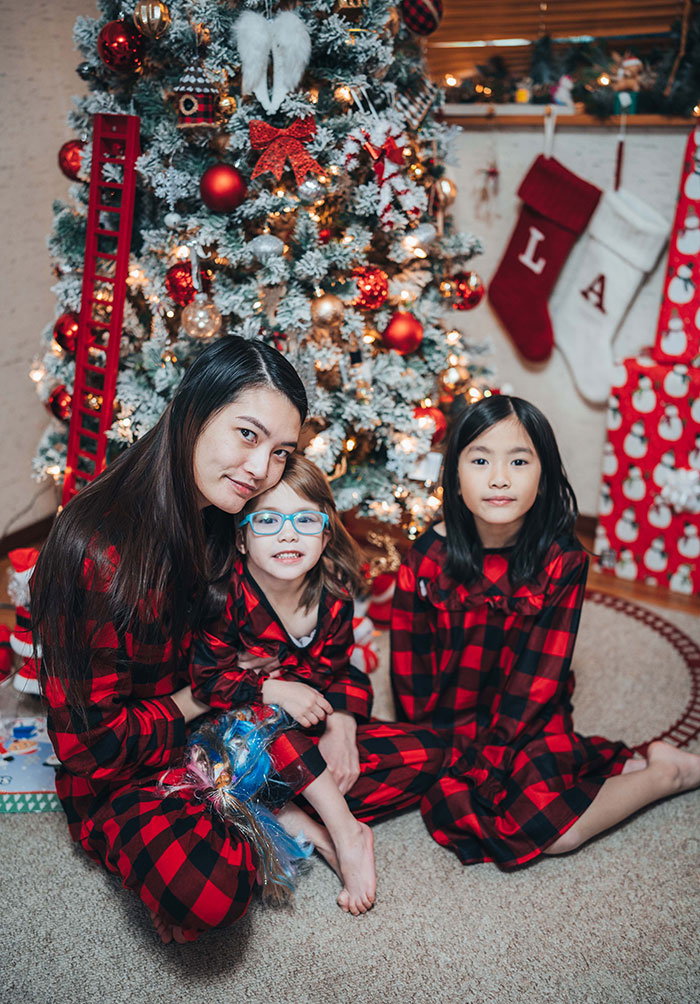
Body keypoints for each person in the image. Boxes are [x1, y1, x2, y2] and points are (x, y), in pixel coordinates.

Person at [390, 394, 700, 869]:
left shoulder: (563, 559)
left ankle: (666, 775)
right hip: (449, 720)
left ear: (544, 475)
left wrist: (493, 758)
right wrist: (440, 748)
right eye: (479, 460)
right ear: (454, 477)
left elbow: (540, 675)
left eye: (519, 460)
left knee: (550, 831)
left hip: (528, 714)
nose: (498, 478)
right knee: (450, 802)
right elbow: (410, 670)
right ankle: (633, 767)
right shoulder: (427, 558)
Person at [189, 454, 448, 915]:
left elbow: (338, 672)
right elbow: (207, 681)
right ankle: (344, 833)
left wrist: (340, 725)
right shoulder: (223, 596)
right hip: (230, 749)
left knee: (428, 752)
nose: (288, 533)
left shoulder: (333, 599)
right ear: (242, 539)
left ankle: (301, 816)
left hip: (303, 743)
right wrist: (272, 688)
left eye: (305, 520)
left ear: (326, 534)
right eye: (267, 520)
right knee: (269, 732)